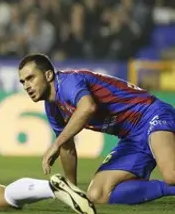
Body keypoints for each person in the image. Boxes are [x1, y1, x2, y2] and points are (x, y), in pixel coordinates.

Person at [18, 53, 175, 205]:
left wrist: (55, 145)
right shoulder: (52, 107)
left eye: (30, 78)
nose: (27, 86)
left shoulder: (68, 82)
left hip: (151, 115)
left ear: (48, 75)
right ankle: (169, 190)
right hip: (131, 138)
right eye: (23, 82)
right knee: (97, 194)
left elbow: (87, 107)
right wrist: (72, 191)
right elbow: (67, 146)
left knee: (172, 175)